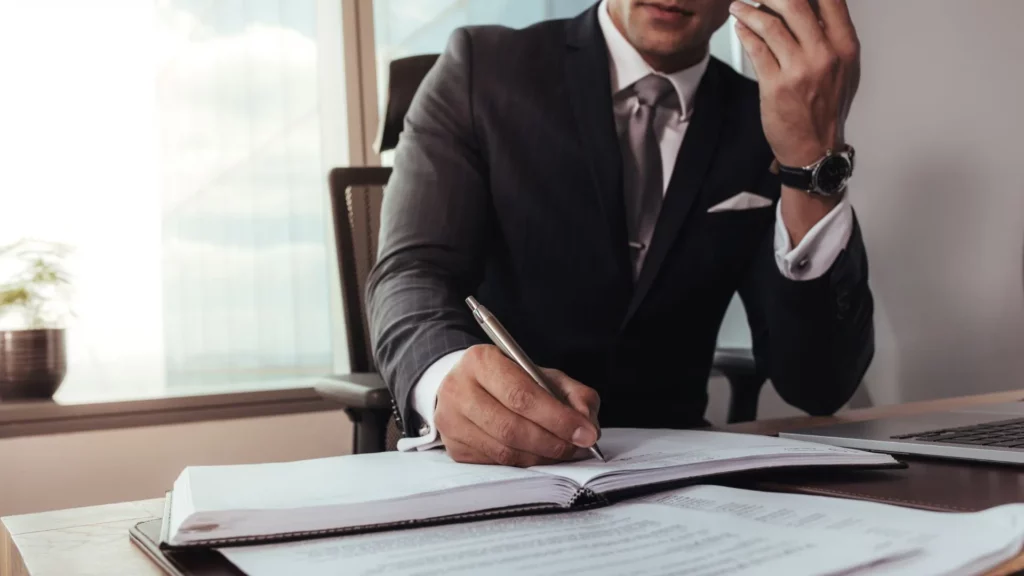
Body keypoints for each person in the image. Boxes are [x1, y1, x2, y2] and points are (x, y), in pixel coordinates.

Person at [367, 0, 873, 467]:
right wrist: (444, 377)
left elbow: (819, 385)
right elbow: (410, 272)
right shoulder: (482, 68)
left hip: (676, 475)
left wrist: (811, 169)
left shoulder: (765, 117)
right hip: (494, 464)